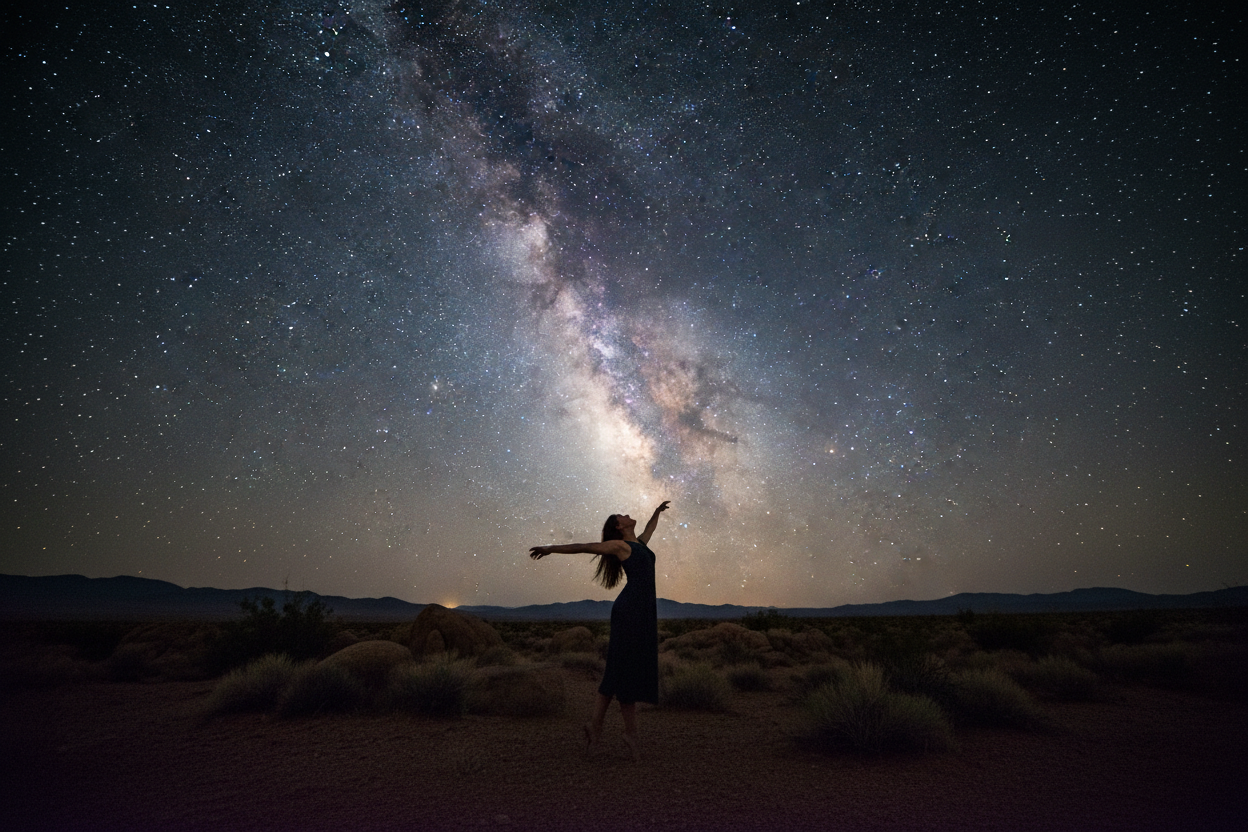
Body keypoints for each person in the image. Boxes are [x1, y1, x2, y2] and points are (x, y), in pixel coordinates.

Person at [529, 500, 670, 761]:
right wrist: (550, 549)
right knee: (625, 669)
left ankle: (595, 726)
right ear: (619, 526)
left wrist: (657, 512)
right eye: (623, 515)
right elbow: (584, 547)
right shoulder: (620, 546)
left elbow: (651, 528)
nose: (628, 514)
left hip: (643, 612)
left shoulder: (640, 543)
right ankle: (630, 734)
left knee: (618, 669)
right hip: (629, 612)